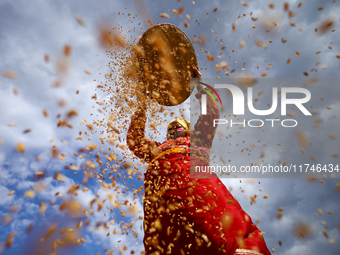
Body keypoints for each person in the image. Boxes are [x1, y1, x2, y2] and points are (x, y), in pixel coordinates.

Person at [126, 66, 271, 255]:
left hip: (195, 185)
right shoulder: (155, 149)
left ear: (187, 129)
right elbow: (134, 140)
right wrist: (142, 105)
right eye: (170, 127)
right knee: (166, 242)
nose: (173, 127)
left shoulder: (197, 141)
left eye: (177, 125)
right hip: (158, 198)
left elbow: (210, 115)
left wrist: (199, 85)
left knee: (219, 232)